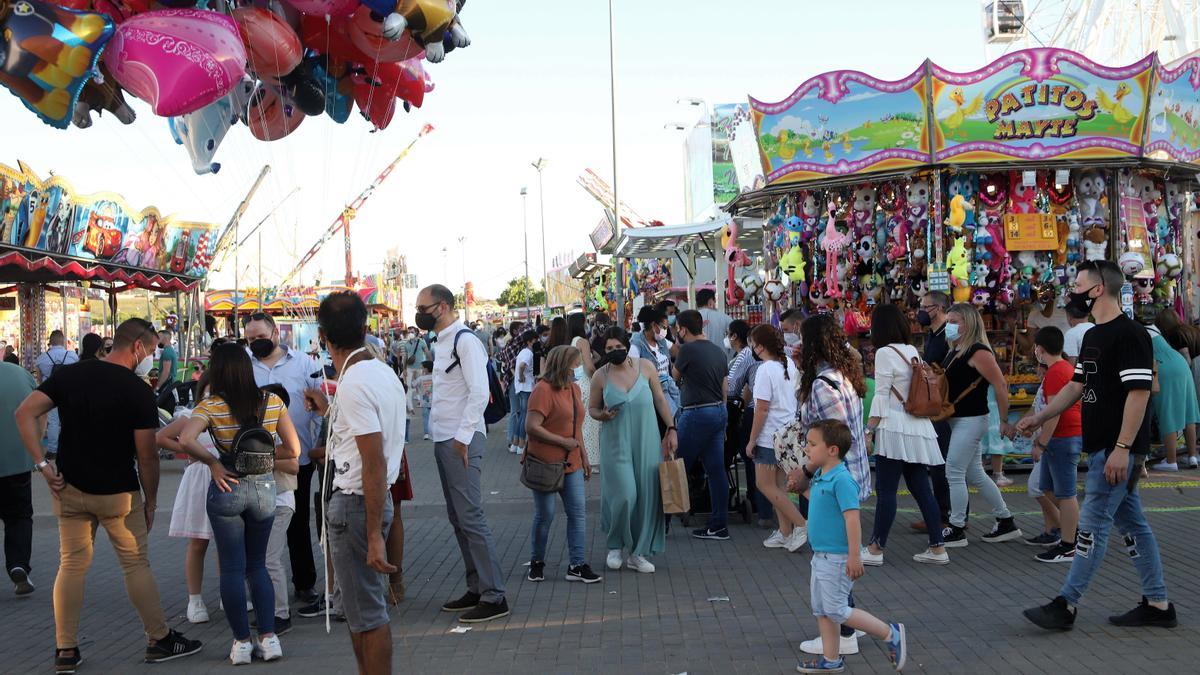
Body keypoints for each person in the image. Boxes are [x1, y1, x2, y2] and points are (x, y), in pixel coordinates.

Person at [14, 318, 201, 672]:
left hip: (69, 487)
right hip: (119, 494)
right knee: (135, 565)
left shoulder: (72, 375)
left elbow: (24, 412)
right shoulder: (137, 391)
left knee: (70, 565)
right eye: (151, 350)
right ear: (138, 348)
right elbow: (147, 456)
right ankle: (158, 639)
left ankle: (65, 650)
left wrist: (41, 465)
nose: (152, 356)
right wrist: (151, 501)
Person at [1019, 260, 1175, 631]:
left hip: (1116, 450)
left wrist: (1123, 448)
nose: (1072, 291)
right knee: (1134, 526)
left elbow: (1138, 394)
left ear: (1099, 288)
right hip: (1105, 448)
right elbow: (1076, 386)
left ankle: (1066, 604)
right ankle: (1157, 603)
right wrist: (1039, 418)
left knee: (1091, 526)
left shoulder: (1130, 334)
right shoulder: (1092, 336)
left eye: (1078, 284)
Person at [302, 291, 406, 671]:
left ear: (322, 337)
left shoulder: (354, 383)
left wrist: (375, 534)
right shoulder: (380, 372)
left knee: (367, 615)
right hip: (367, 502)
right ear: (365, 329)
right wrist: (330, 411)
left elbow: (372, 461)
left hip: (357, 504)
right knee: (363, 612)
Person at [175, 344, 299, 663]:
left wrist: (213, 462)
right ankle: (269, 638)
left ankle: (242, 643)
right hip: (263, 489)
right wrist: (263, 458)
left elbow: (186, 440)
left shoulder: (211, 406)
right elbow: (294, 449)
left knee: (232, 567)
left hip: (226, 485)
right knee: (258, 565)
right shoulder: (271, 402)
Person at [417, 284, 509, 623]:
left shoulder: (465, 341)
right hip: (445, 440)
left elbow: (479, 393)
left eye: (422, 307)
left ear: (441, 307)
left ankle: (494, 595)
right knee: (458, 517)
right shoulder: (440, 342)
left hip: (461, 441)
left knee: (471, 516)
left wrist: (464, 438)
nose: (419, 313)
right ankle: (477, 587)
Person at [791, 420, 907, 674]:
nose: (807, 449)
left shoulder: (842, 480)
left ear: (832, 450)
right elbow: (823, 503)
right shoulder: (822, 475)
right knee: (822, 610)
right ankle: (831, 659)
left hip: (837, 558)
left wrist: (855, 557)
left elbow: (852, 519)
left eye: (812, 444)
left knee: (836, 609)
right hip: (821, 556)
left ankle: (890, 633)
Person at [244, 312, 324, 606]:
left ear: (275, 333)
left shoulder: (303, 363)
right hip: (255, 461)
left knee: (298, 521)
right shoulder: (244, 364)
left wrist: (317, 445)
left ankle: (304, 583)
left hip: (297, 457)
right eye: (250, 339)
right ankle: (262, 586)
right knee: (256, 524)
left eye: (260, 338)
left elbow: (317, 407)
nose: (255, 344)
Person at [862, 304, 948, 566]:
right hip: (916, 425)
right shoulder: (911, 350)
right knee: (921, 487)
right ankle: (937, 547)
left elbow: (881, 394)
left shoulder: (885, 353)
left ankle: (876, 548)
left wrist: (869, 430)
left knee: (886, 489)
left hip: (894, 425)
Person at [590, 328, 676, 573]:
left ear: (627, 345)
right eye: (608, 349)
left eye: (618, 347)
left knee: (648, 496)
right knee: (625, 494)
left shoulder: (646, 367)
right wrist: (602, 415)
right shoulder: (601, 375)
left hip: (647, 440)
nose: (614, 352)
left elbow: (660, 399)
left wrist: (672, 428)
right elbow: (592, 409)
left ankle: (638, 552)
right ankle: (615, 543)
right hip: (615, 442)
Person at [939, 303, 1022, 547]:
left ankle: (956, 526)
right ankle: (1005, 519)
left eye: (955, 321)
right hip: (960, 420)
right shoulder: (956, 349)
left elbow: (1001, 385)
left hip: (972, 420)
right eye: (949, 320)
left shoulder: (978, 351)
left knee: (953, 471)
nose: (949, 325)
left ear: (969, 323)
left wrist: (1005, 421)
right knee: (975, 472)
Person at [524, 345, 601, 584]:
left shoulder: (574, 389)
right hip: (545, 462)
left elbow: (576, 426)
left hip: (572, 462)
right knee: (545, 514)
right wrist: (562, 442)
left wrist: (585, 456)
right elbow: (531, 426)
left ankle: (577, 564)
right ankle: (537, 561)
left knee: (577, 513)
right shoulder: (543, 390)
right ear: (563, 365)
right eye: (575, 364)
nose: (578, 369)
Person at [159, 372, 218, 624]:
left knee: (228, 541)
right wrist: (188, 451)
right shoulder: (188, 417)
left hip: (225, 476)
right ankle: (195, 599)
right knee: (198, 542)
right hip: (199, 480)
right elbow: (159, 437)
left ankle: (230, 593)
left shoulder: (232, 414)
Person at [743, 324, 806, 551]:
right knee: (778, 486)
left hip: (769, 436)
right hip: (787, 432)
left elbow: (761, 409)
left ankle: (800, 524)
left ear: (759, 346)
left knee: (765, 484)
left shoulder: (765, 369)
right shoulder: (787, 363)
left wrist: (751, 440)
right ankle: (785, 532)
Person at [672, 309, 731, 541]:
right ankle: (719, 525)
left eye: (677, 328)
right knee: (716, 470)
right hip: (718, 411)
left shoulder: (686, 350)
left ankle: (662, 522)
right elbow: (725, 386)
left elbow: (675, 377)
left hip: (696, 412)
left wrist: (676, 353)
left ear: (683, 329)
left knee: (678, 468)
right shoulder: (718, 350)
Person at [1026, 327, 1082, 564]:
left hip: (1064, 437)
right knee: (1047, 488)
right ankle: (1074, 530)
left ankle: (1070, 544)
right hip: (1062, 438)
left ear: (1039, 349)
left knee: (1066, 493)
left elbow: (1054, 413)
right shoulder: (1062, 369)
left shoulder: (1057, 372)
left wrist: (1041, 443)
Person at [726, 319, 773, 526]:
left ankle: (761, 509)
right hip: (784, 416)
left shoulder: (746, 354)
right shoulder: (787, 357)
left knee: (754, 459)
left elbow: (733, 387)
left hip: (757, 412)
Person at [915, 291, 953, 532]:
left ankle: (947, 515)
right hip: (933, 404)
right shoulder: (932, 334)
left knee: (943, 464)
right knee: (937, 463)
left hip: (944, 406)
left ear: (938, 308)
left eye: (925, 306)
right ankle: (944, 513)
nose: (921, 311)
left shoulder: (948, 335)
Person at [0, 358, 37, 596]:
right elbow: (41, 410)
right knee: (19, 517)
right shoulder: (20, 374)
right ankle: (18, 565)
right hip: (17, 462)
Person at [1146, 321, 1200, 471]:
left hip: (1163, 368)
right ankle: (1193, 456)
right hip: (1180, 364)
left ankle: (1171, 461)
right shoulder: (1153, 328)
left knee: (1168, 412)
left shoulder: (1134, 330)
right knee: (1189, 412)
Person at [34, 329, 78, 458]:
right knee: (69, 419)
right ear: (63, 341)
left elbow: (39, 379)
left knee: (53, 421)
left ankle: (53, 450)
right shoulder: (72, 356)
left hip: (51, 392)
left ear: (50, 342)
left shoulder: (42, 358)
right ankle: (70, 447)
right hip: (69, 391)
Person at [567, 313, 601, 470]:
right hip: (587, 384)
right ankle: (592, 461)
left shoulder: (572, 342)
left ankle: (580, 458)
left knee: (580, 424)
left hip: (576, 383)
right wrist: (598, 377)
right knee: (591, 425)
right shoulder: (583, 342)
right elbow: (589, 367)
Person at [511, 329, 538, 455]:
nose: (537, 341)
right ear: (529, 341)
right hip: (526, 387)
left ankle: (515, 443)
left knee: (522, 415)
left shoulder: (522, 351)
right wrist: (521, 376)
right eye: (535, 339)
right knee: (525, 416)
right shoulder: (528, 353)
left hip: (521, 387)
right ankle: (521, 444)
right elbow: (522, 366)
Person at [696, 288, 734, 358]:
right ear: (710, 302)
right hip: (721, 361)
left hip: (697, 361)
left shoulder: (690, 319)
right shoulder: (725, 318)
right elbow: (735, 341)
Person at [414, 360, 434, 440]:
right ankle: (433, 433)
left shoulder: (421, 378)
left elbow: (413, 385)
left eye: (422, 368)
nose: (422, 370)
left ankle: (426, 433)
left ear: (426, 369)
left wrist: (414, 376)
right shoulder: (435, 377)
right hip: (434, 400)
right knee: (434, 418)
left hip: (424, 401)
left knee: (426, 417)